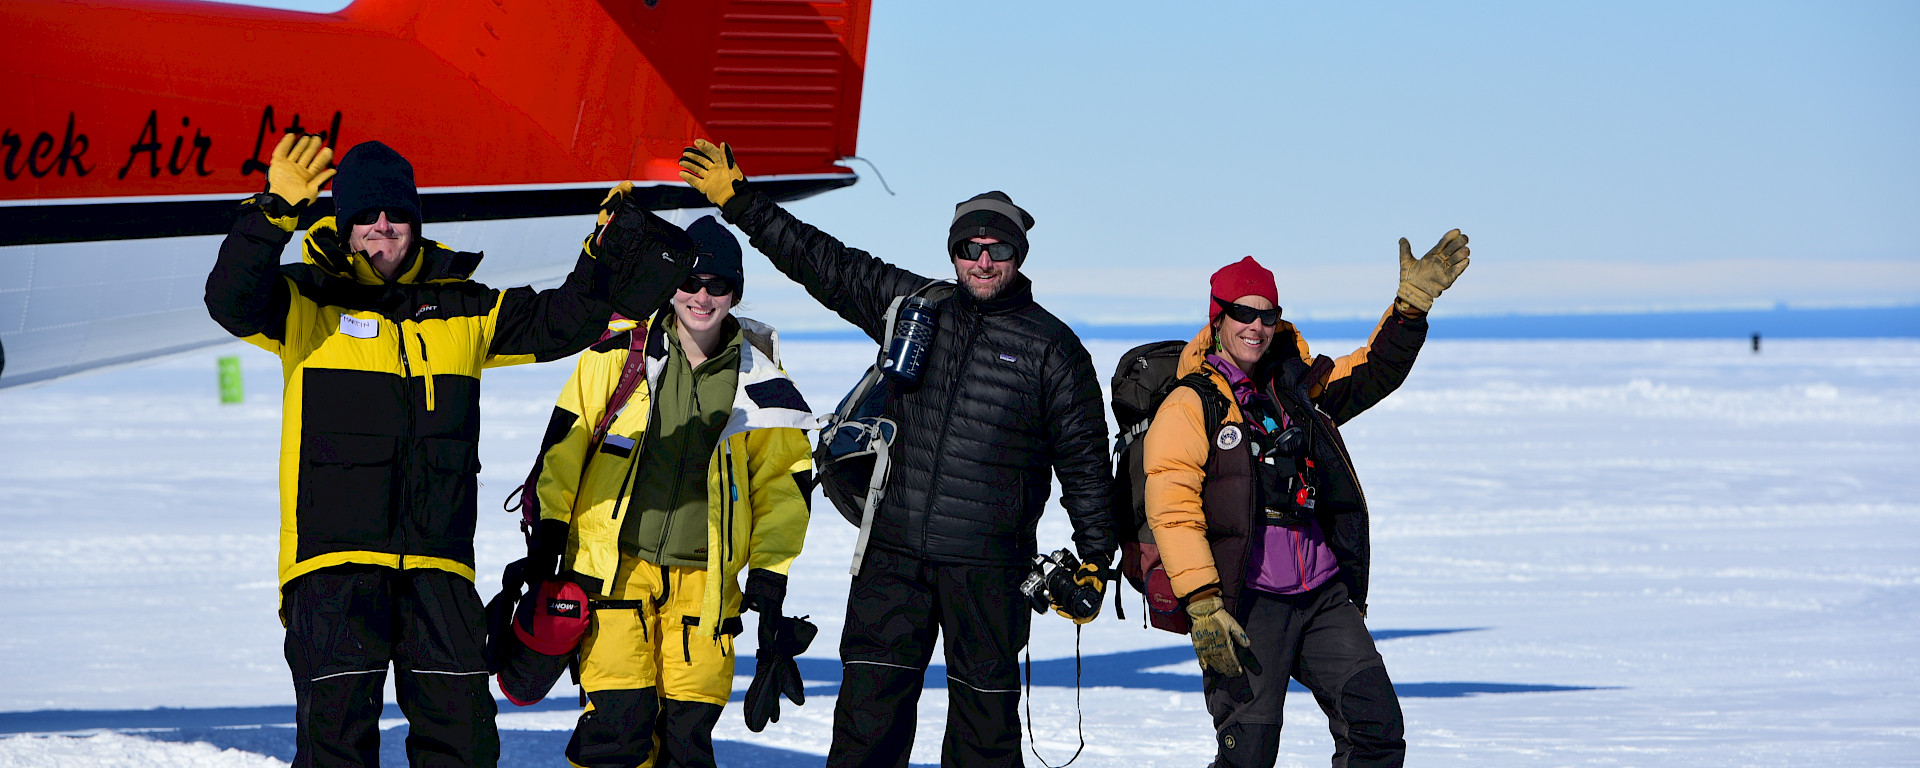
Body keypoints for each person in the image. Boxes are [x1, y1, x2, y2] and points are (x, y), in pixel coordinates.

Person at [204, 134, 693, 768]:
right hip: (331, 566)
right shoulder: (304, 301)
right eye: (367, 215)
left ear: (415, 220)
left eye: (396, 213)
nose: (383, 226)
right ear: (345, 224)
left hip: (438, 566)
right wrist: (270, 212)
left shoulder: (465, 309)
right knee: (335, 750)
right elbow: (230, 301)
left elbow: (564, 322)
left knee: (463, 745)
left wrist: (607, 255)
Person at [679, 139, 1116, 767]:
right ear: (954, 253)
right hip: (894, 555)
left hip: (987, 569)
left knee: (984, 738)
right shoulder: (914, 307)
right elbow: (823, 261)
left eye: (997, 250)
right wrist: (742, 202)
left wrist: (1096, 556)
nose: (982, 261)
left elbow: (1084, 462)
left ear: (1018, 255)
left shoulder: (1054, 349)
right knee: (866, 728)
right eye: (970, 249)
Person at [1143, 240, 1470, 768]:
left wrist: (1410, 309)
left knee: (1375, 730)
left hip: (1320, 595)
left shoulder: (1295, 389)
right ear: (1218, 319)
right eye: (1243, 313)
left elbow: (1371, 372)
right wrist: (1203, 603)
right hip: (1244, 603)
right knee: (1246, 757)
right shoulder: (1191, 403)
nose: (1256, 326)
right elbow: (1173, 510)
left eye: (1267, 314)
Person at [520, 216, 816, 768]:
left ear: (736, 291)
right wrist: (547, 547)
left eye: (718, 285)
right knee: (617, 735)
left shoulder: (762, 380)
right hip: (614, 573)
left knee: (687, 745)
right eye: (691, 282)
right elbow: (565, 447)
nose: (702, 297)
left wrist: (770, 582)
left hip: (707, 590)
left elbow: (783, 489)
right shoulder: (618, 352)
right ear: (670, 285)